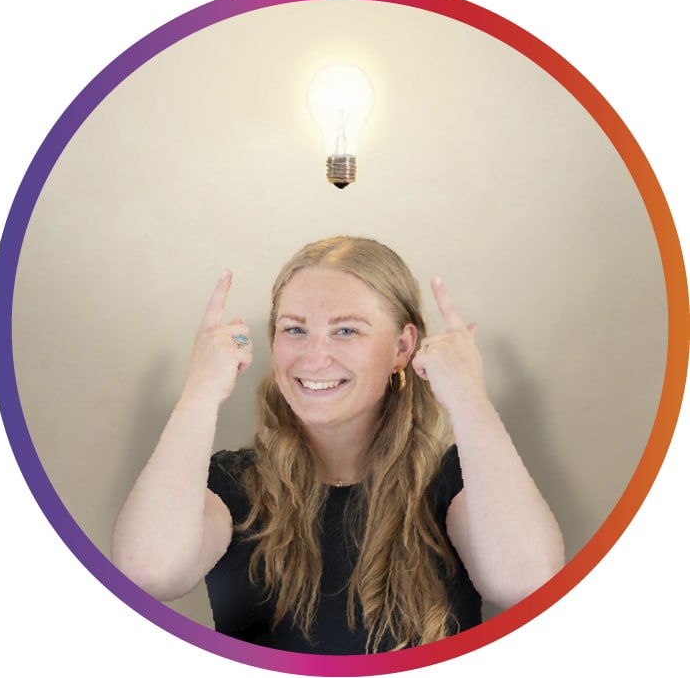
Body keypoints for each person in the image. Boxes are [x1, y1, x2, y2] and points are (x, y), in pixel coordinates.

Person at [112, 236, 564, 654]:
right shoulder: (231, 484)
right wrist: (199, 391)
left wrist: (468, 397)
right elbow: (149, 572)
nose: (314, 357)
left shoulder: (458, 481)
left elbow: (526, 582)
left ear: (402, 347)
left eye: (346, 331)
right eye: (294, 330)